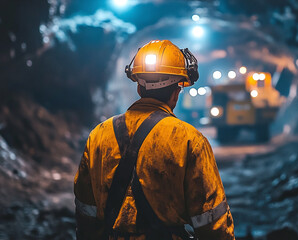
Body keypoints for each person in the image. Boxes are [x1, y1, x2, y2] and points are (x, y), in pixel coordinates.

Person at [74, 40, 235, 240]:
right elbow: (211, 220)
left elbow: (85, 212)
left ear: (139, 89)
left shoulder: (98, 135)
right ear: (177, 91)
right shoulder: (189, 140)